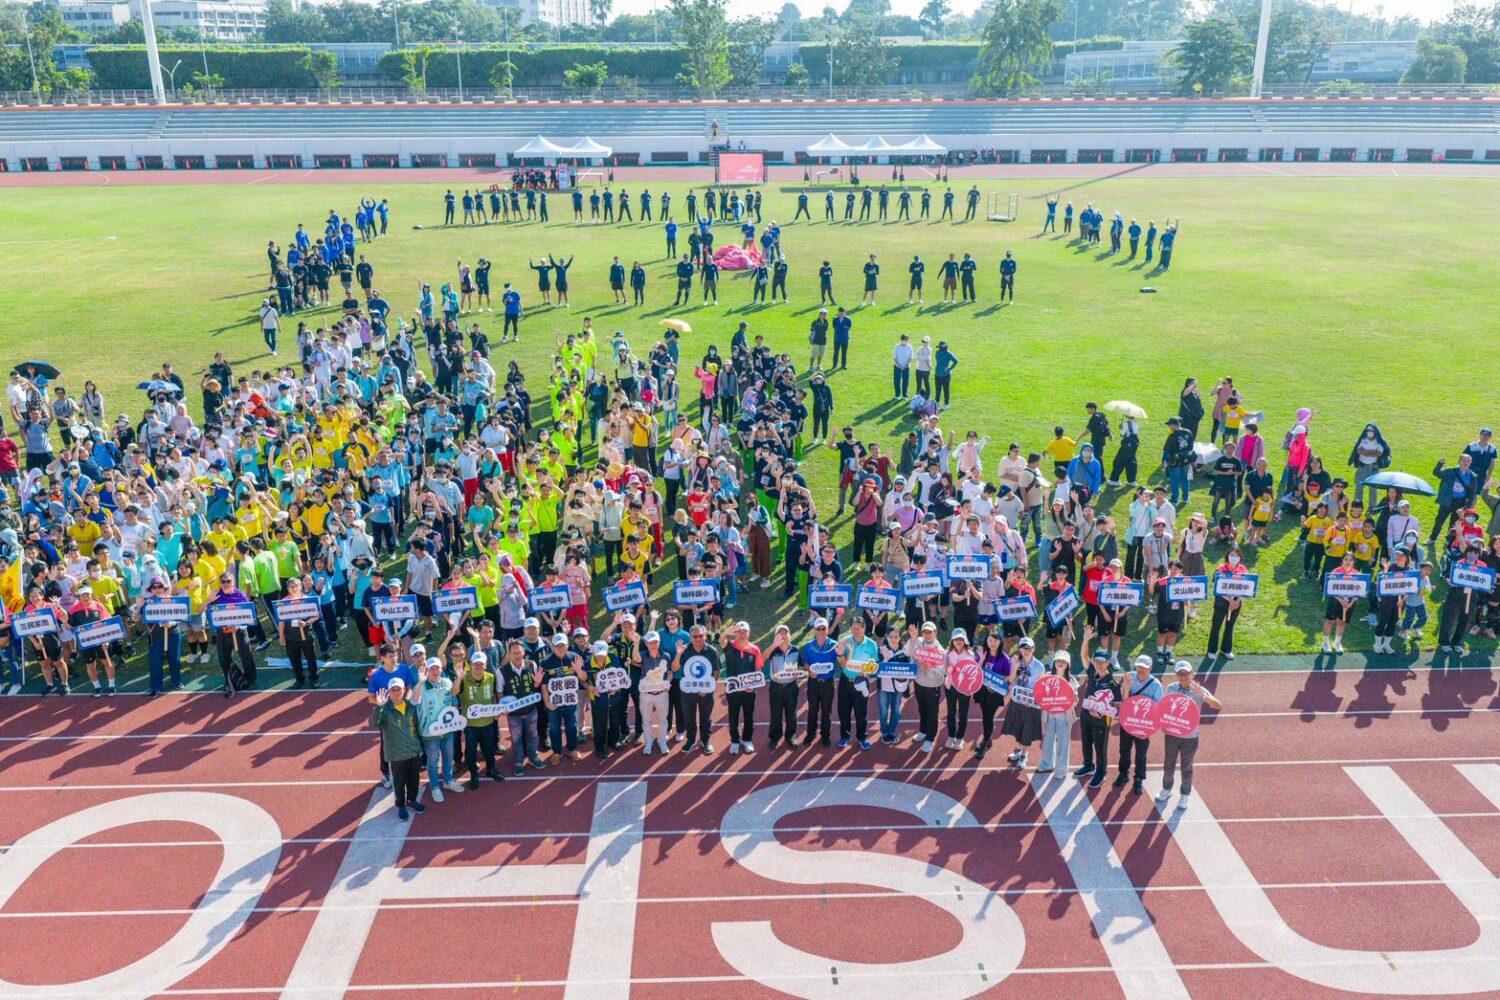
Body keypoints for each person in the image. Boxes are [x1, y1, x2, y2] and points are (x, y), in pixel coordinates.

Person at [1155, 661, 1222, 810]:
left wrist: (1203, 696)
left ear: (1192, 674)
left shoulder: (1199, 689)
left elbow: (1218, 705)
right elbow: (1165, 709)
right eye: (1180, 673)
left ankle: (1185, 795)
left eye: (1186, 673)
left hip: (1190, 737)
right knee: (1168, 763)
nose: (1183, 676)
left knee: (1186, 767)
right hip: (1171, 734)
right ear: (1176, 675)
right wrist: (1163, 724)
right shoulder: (1171, 688)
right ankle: (1167, 789)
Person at [371, 678, 427, 821]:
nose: (396, 692)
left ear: (404, 690)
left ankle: (412, 800)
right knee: (399, 782)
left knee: (414, 779)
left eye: (398, 689)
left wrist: (419, 746)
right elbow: (373, 723)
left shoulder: (410, 706)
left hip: (413, 750)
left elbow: (416, 725)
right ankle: (400, 804)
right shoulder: (385, 709)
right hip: (397, 754)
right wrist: (379, 707)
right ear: (389, 692)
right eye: (393, 690)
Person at [413, 656, 463, 803]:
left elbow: (454, 694)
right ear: (427, 670)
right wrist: (421, 683)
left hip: (447, 730)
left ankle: (448, 781)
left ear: (442, 669)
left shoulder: (447, 682)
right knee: (433, 761)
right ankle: (435, 787)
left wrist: (459, 678)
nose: (435, 671)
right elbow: (415, 700)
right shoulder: (421, 686)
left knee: (448, 756)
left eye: (437, 668)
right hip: (430, 733)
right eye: (432, 668)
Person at [1113, 653, 1161, 794]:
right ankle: (1123, 774)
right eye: (1139, 666)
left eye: (1144, 668)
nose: (1141, 670)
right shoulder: (1129, 677)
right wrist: (1126, 688)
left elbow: (1158, 711)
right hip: (1128, 722)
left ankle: (1139, 780)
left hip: (1144, 727)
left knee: (1141, 754)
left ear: (1150, 668)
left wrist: (1149, 731)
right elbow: (1124, 703)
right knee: (1124, 750)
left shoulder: (1156, 685)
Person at [837, 616, 877, 749]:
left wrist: (867, 673)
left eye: (859, 628)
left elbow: (874, 664)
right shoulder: (844, 642)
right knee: (844, 711)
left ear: (865, 628)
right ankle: (845, 736)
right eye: (853, 627)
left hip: (861, 682)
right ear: (850, 628)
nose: (856, 630)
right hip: (845, 681)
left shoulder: (872, 645)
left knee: (861, 712)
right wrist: (845, 652)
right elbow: (842, 663)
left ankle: (862, 737)